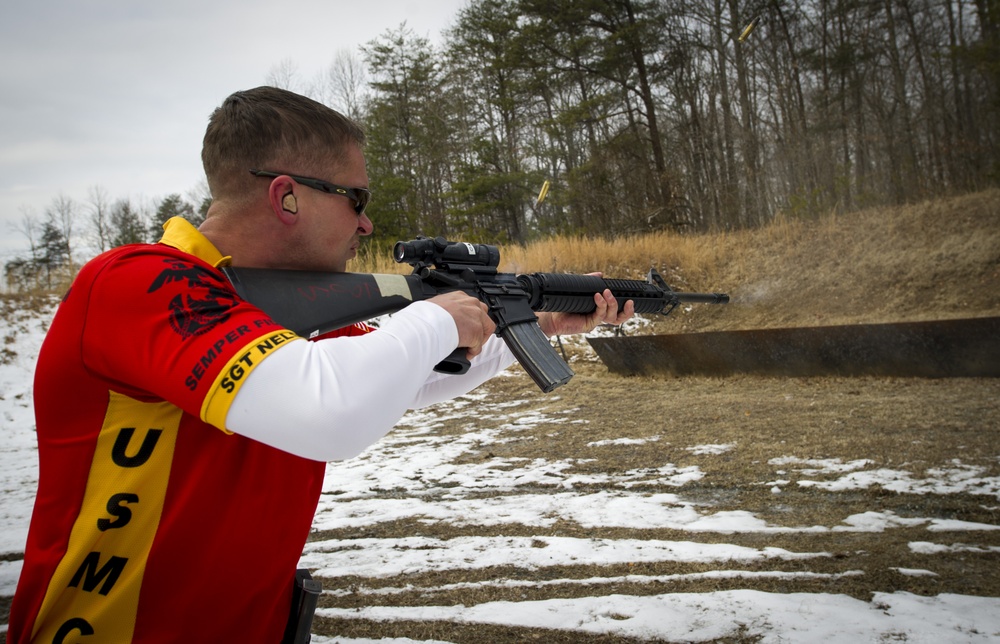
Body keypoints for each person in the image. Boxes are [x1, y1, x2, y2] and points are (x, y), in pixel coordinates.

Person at [6, 86, 634, 643]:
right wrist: (439, 315)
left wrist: (538, 324)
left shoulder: (266, 311)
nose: (364, 223)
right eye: (354, 197)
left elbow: (405, 377)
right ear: (287, 197)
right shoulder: (137, 282)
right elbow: (328, 411)